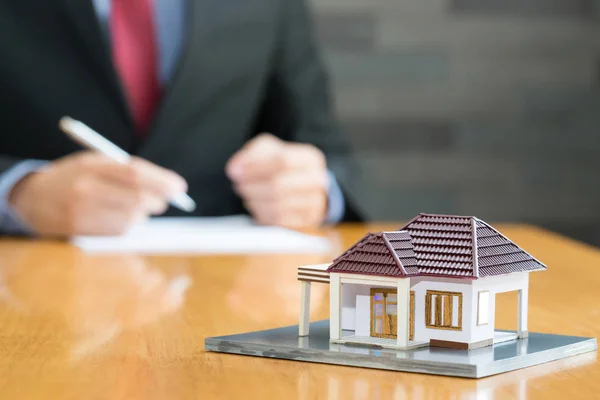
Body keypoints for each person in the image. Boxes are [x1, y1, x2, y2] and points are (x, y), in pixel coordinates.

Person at [0, 0, 362, 237]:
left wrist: (315, 191)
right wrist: (18, 194)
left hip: (229, 288)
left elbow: (326, 147)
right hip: (39, 284)